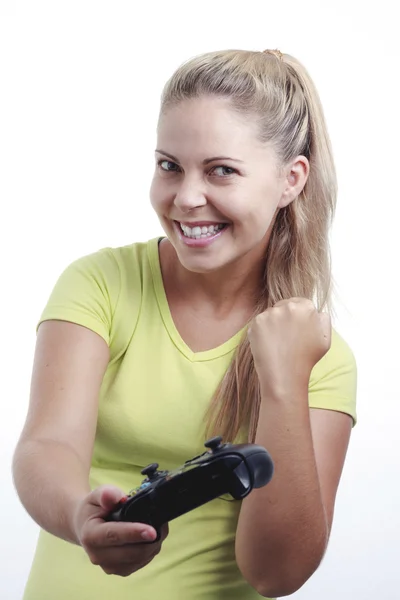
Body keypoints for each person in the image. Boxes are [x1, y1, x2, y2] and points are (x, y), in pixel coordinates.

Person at [12, 48, 357, 600]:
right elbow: (48, 444)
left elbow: (278, 574)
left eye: (221, 170)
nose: (186, 198)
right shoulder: (101, 283)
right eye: (169, 165)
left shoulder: (319, 356)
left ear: (291, 180)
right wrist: (80, 517)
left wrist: (283, 382)